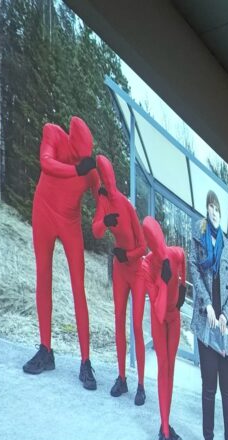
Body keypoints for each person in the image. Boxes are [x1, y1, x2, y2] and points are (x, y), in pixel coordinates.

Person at [23, 116, 100, 390]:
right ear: (72, 142)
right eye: (79, 154)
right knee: (43, 276)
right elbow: (46, 163)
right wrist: (76, 169)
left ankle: (85, 362)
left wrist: (105, 221)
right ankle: (46, 350)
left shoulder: (89, 168)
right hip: (43, 212)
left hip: (70, 222)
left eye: (85, 156)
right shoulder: (53, 134)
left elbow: (103, 201)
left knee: (79, 287)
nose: (82, 159)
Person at [189, 191, 228, 440]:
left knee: (227, 396)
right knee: (209, 392)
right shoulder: (198, 239)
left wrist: (226, 316)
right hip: (206, 329)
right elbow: (194, 272)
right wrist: (207, 305)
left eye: (217, 207)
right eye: (210, 207)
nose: (214, 211)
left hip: (225, 331)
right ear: (206, 211)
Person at [91, 155, 148, 404]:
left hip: (136, 270)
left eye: (108, 175)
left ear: (113, 176)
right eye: (103, 177)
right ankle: (122, 378)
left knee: (136, 325)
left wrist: (129, 255)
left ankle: (141, 384)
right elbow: (96, 230)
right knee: (118, 320)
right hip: (120, 269)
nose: (107, 180)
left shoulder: (126, 205)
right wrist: (104, 221)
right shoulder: (104, 201)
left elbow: (143, 246)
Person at [141, 216, 187, 440]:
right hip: (160, 321)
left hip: (174, 317)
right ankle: (165, 433)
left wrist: (182, 287)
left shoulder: (175, 253)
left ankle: (165, 424)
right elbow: (158, 312)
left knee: (171, 370)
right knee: (163, 368)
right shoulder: (146, 266)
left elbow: (184, 259)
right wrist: (163, 281)